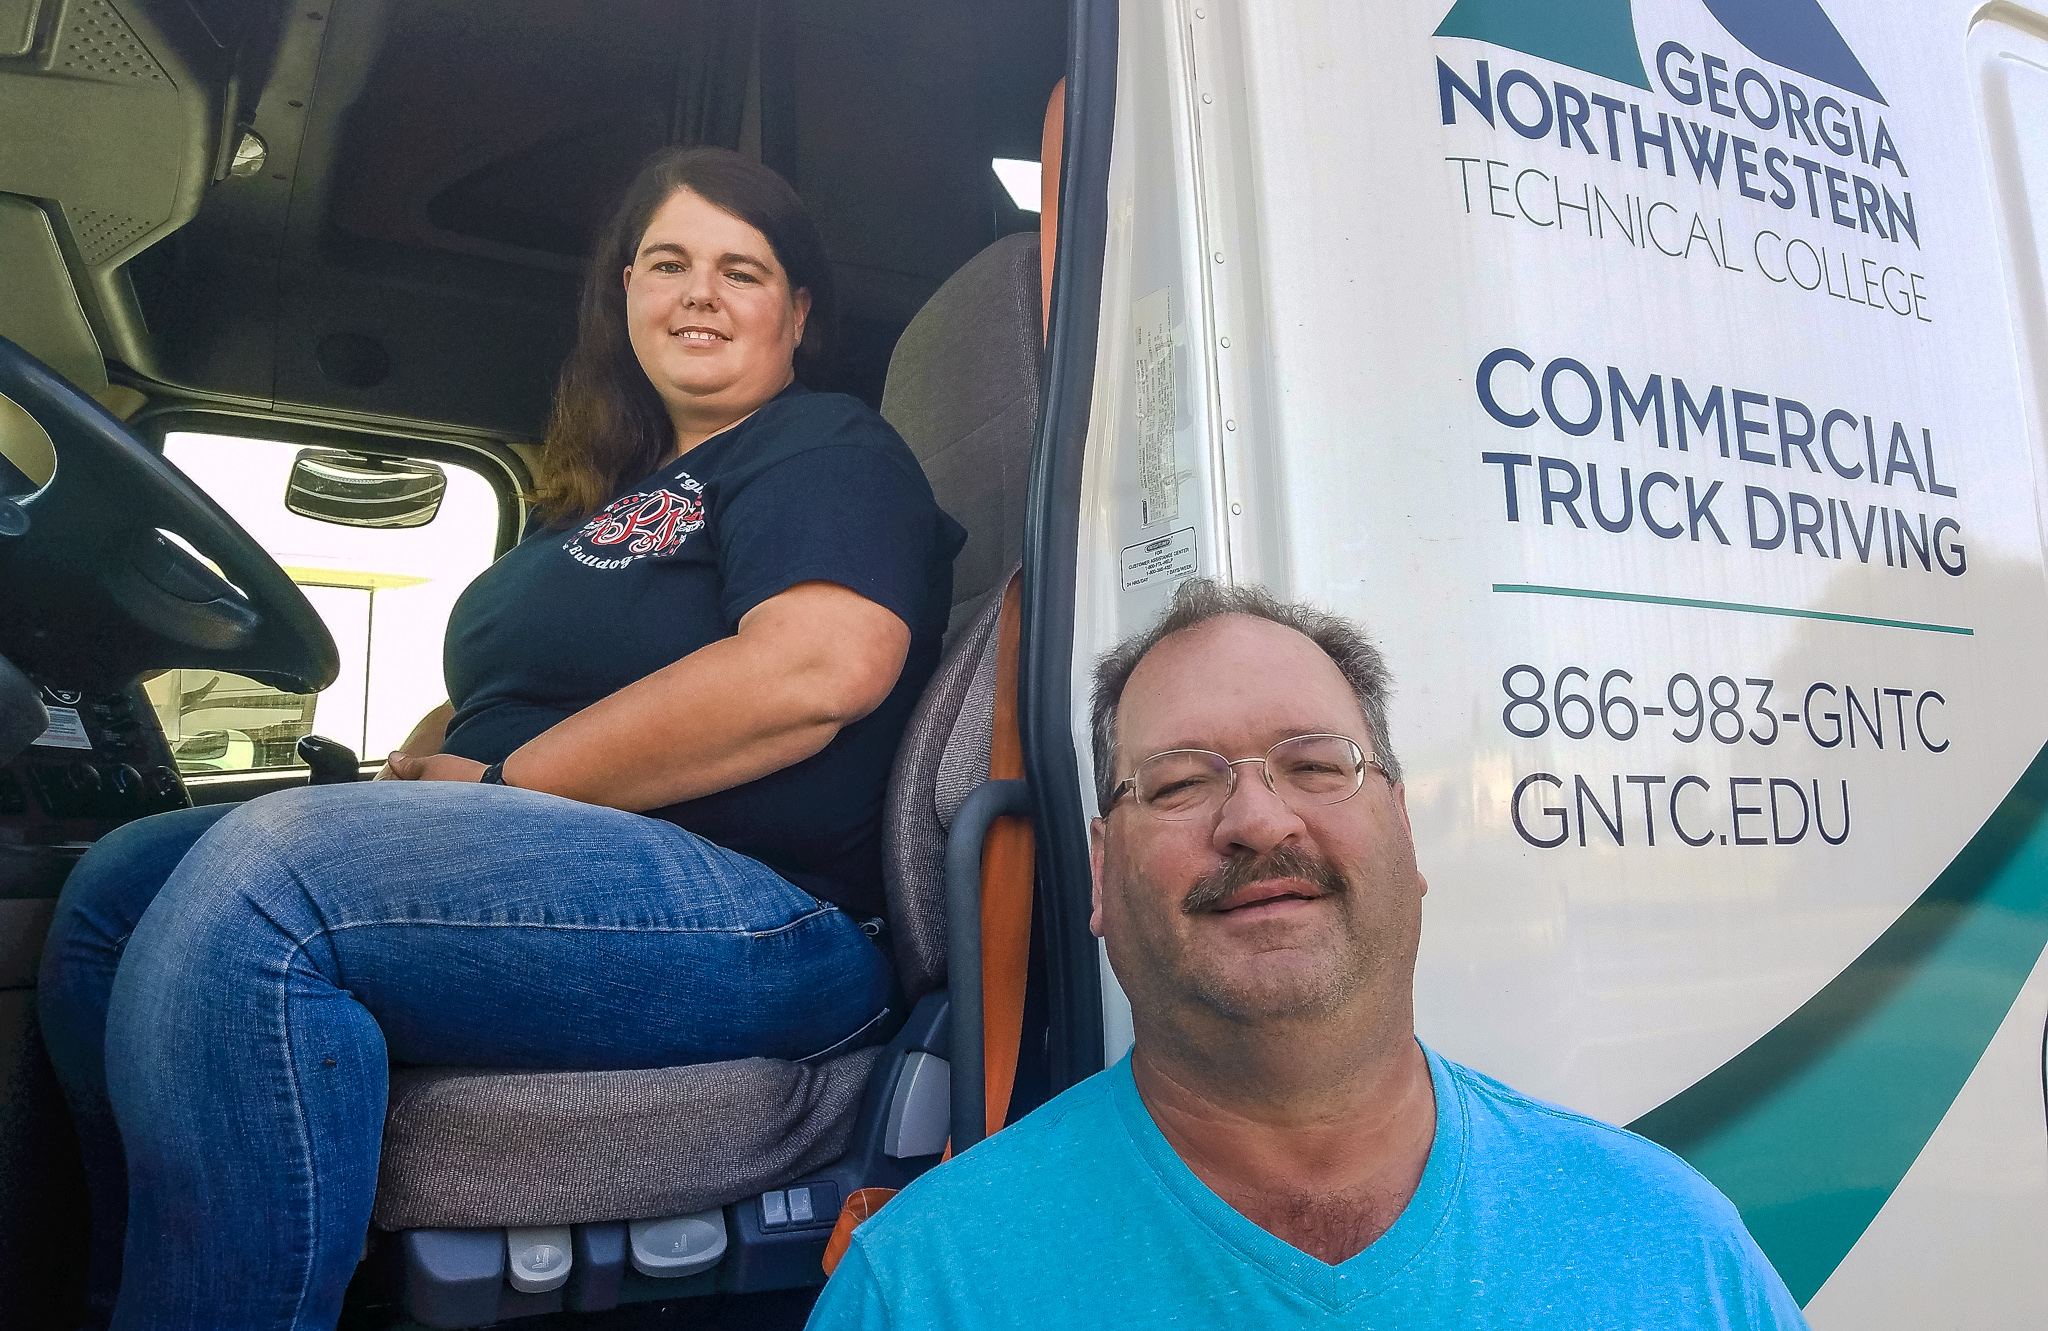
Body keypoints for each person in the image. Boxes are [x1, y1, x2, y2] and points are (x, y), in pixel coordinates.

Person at [38, 146, 964, 1329]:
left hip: (766, 915)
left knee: (268, 889)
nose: (699, 293)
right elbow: (498, 687)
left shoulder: (817, 444)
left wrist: (501, 782)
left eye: (742, 270)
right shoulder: (592, 502)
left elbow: (815, 666)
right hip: (577, 863)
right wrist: (409, 774)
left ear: (798, 313)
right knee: (119, 886)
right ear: (623, 290)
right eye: (668, 262)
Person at [808, 580, 1808, 1330]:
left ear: (1404, 833)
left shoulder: (1670, 1246)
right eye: (1178, 782)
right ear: (1101, 874)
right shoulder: (922, 1286)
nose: (1255, 817)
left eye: (1316, 763)